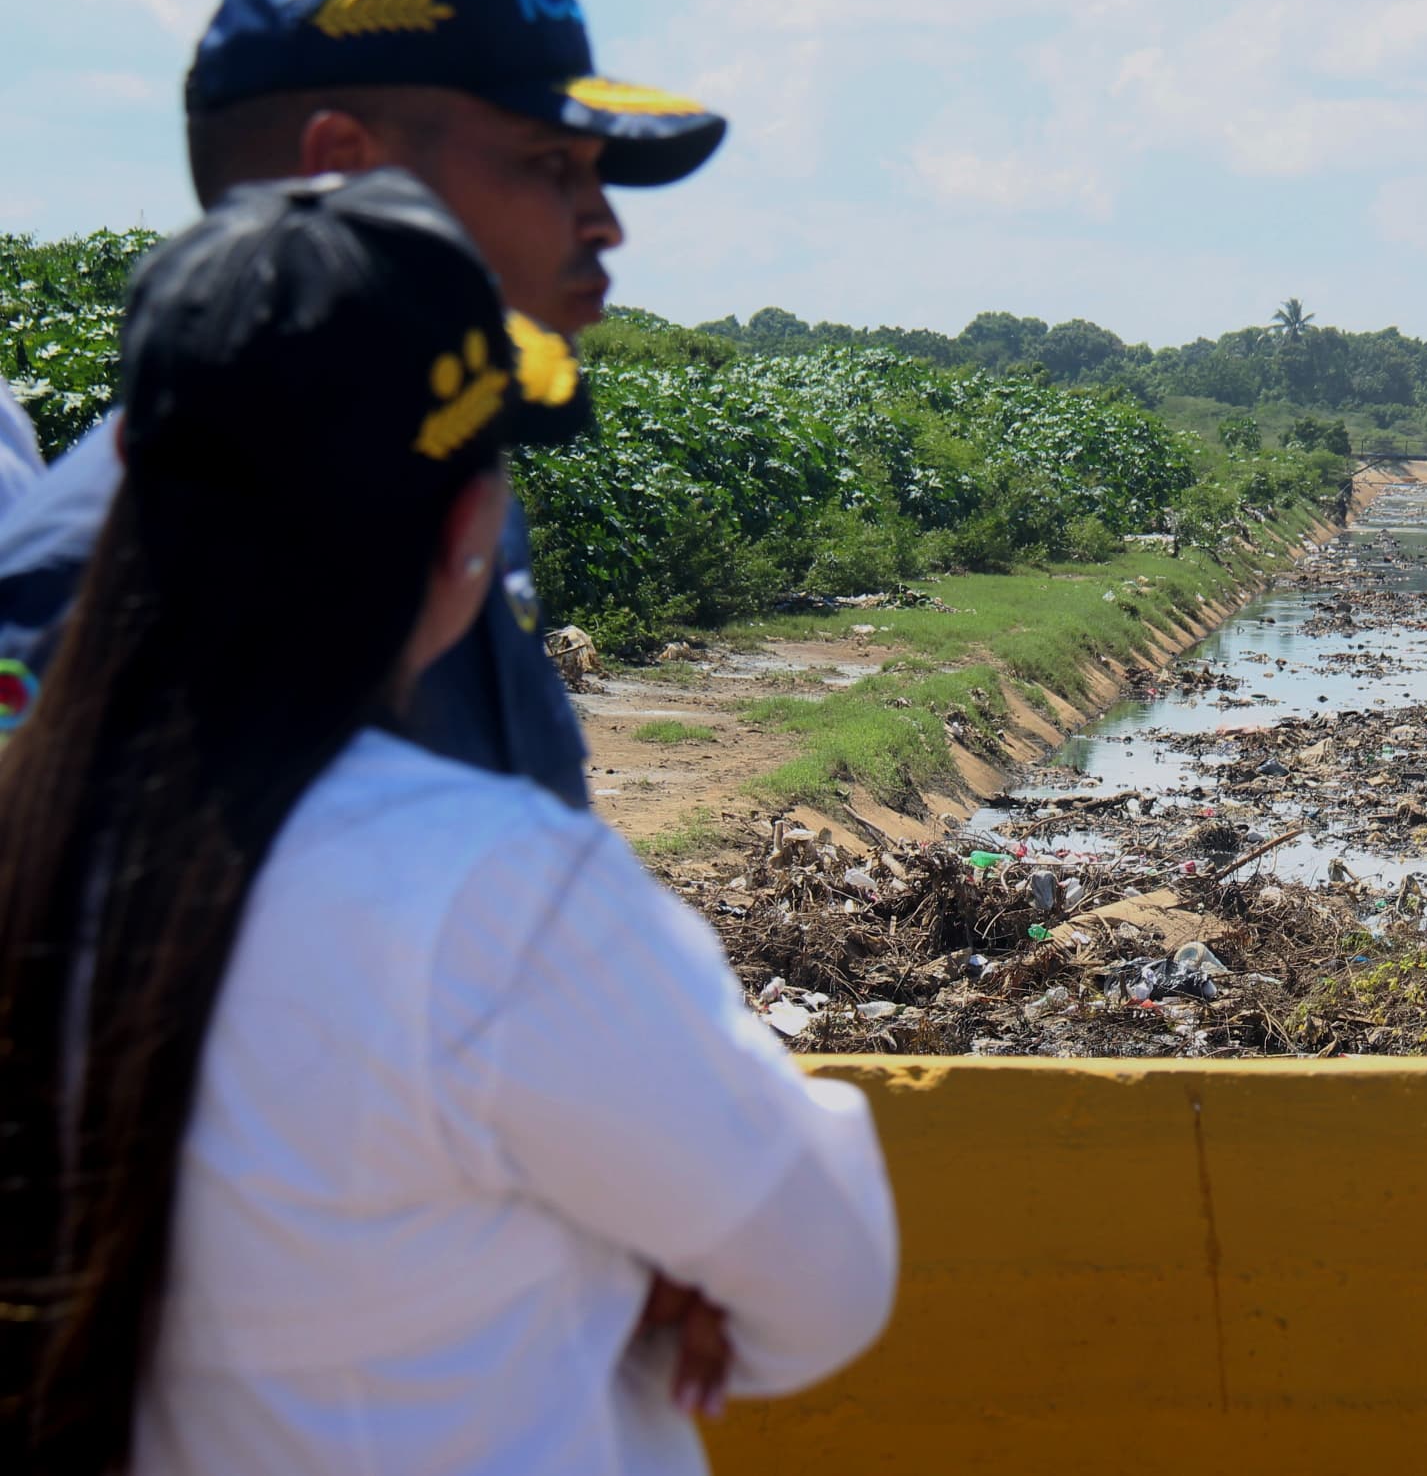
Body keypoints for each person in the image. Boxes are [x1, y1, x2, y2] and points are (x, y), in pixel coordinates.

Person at [0, 171, 897, 1475]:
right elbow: (825, 1272)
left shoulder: (39, 843)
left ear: (127, 467)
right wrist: (608, 1265)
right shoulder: (490, 889)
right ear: (470, 524)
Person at [0, 0, 727, 800]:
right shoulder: (93, 601)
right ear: (344, 173)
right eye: (550, 163)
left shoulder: (442, 488)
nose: (604, 224)